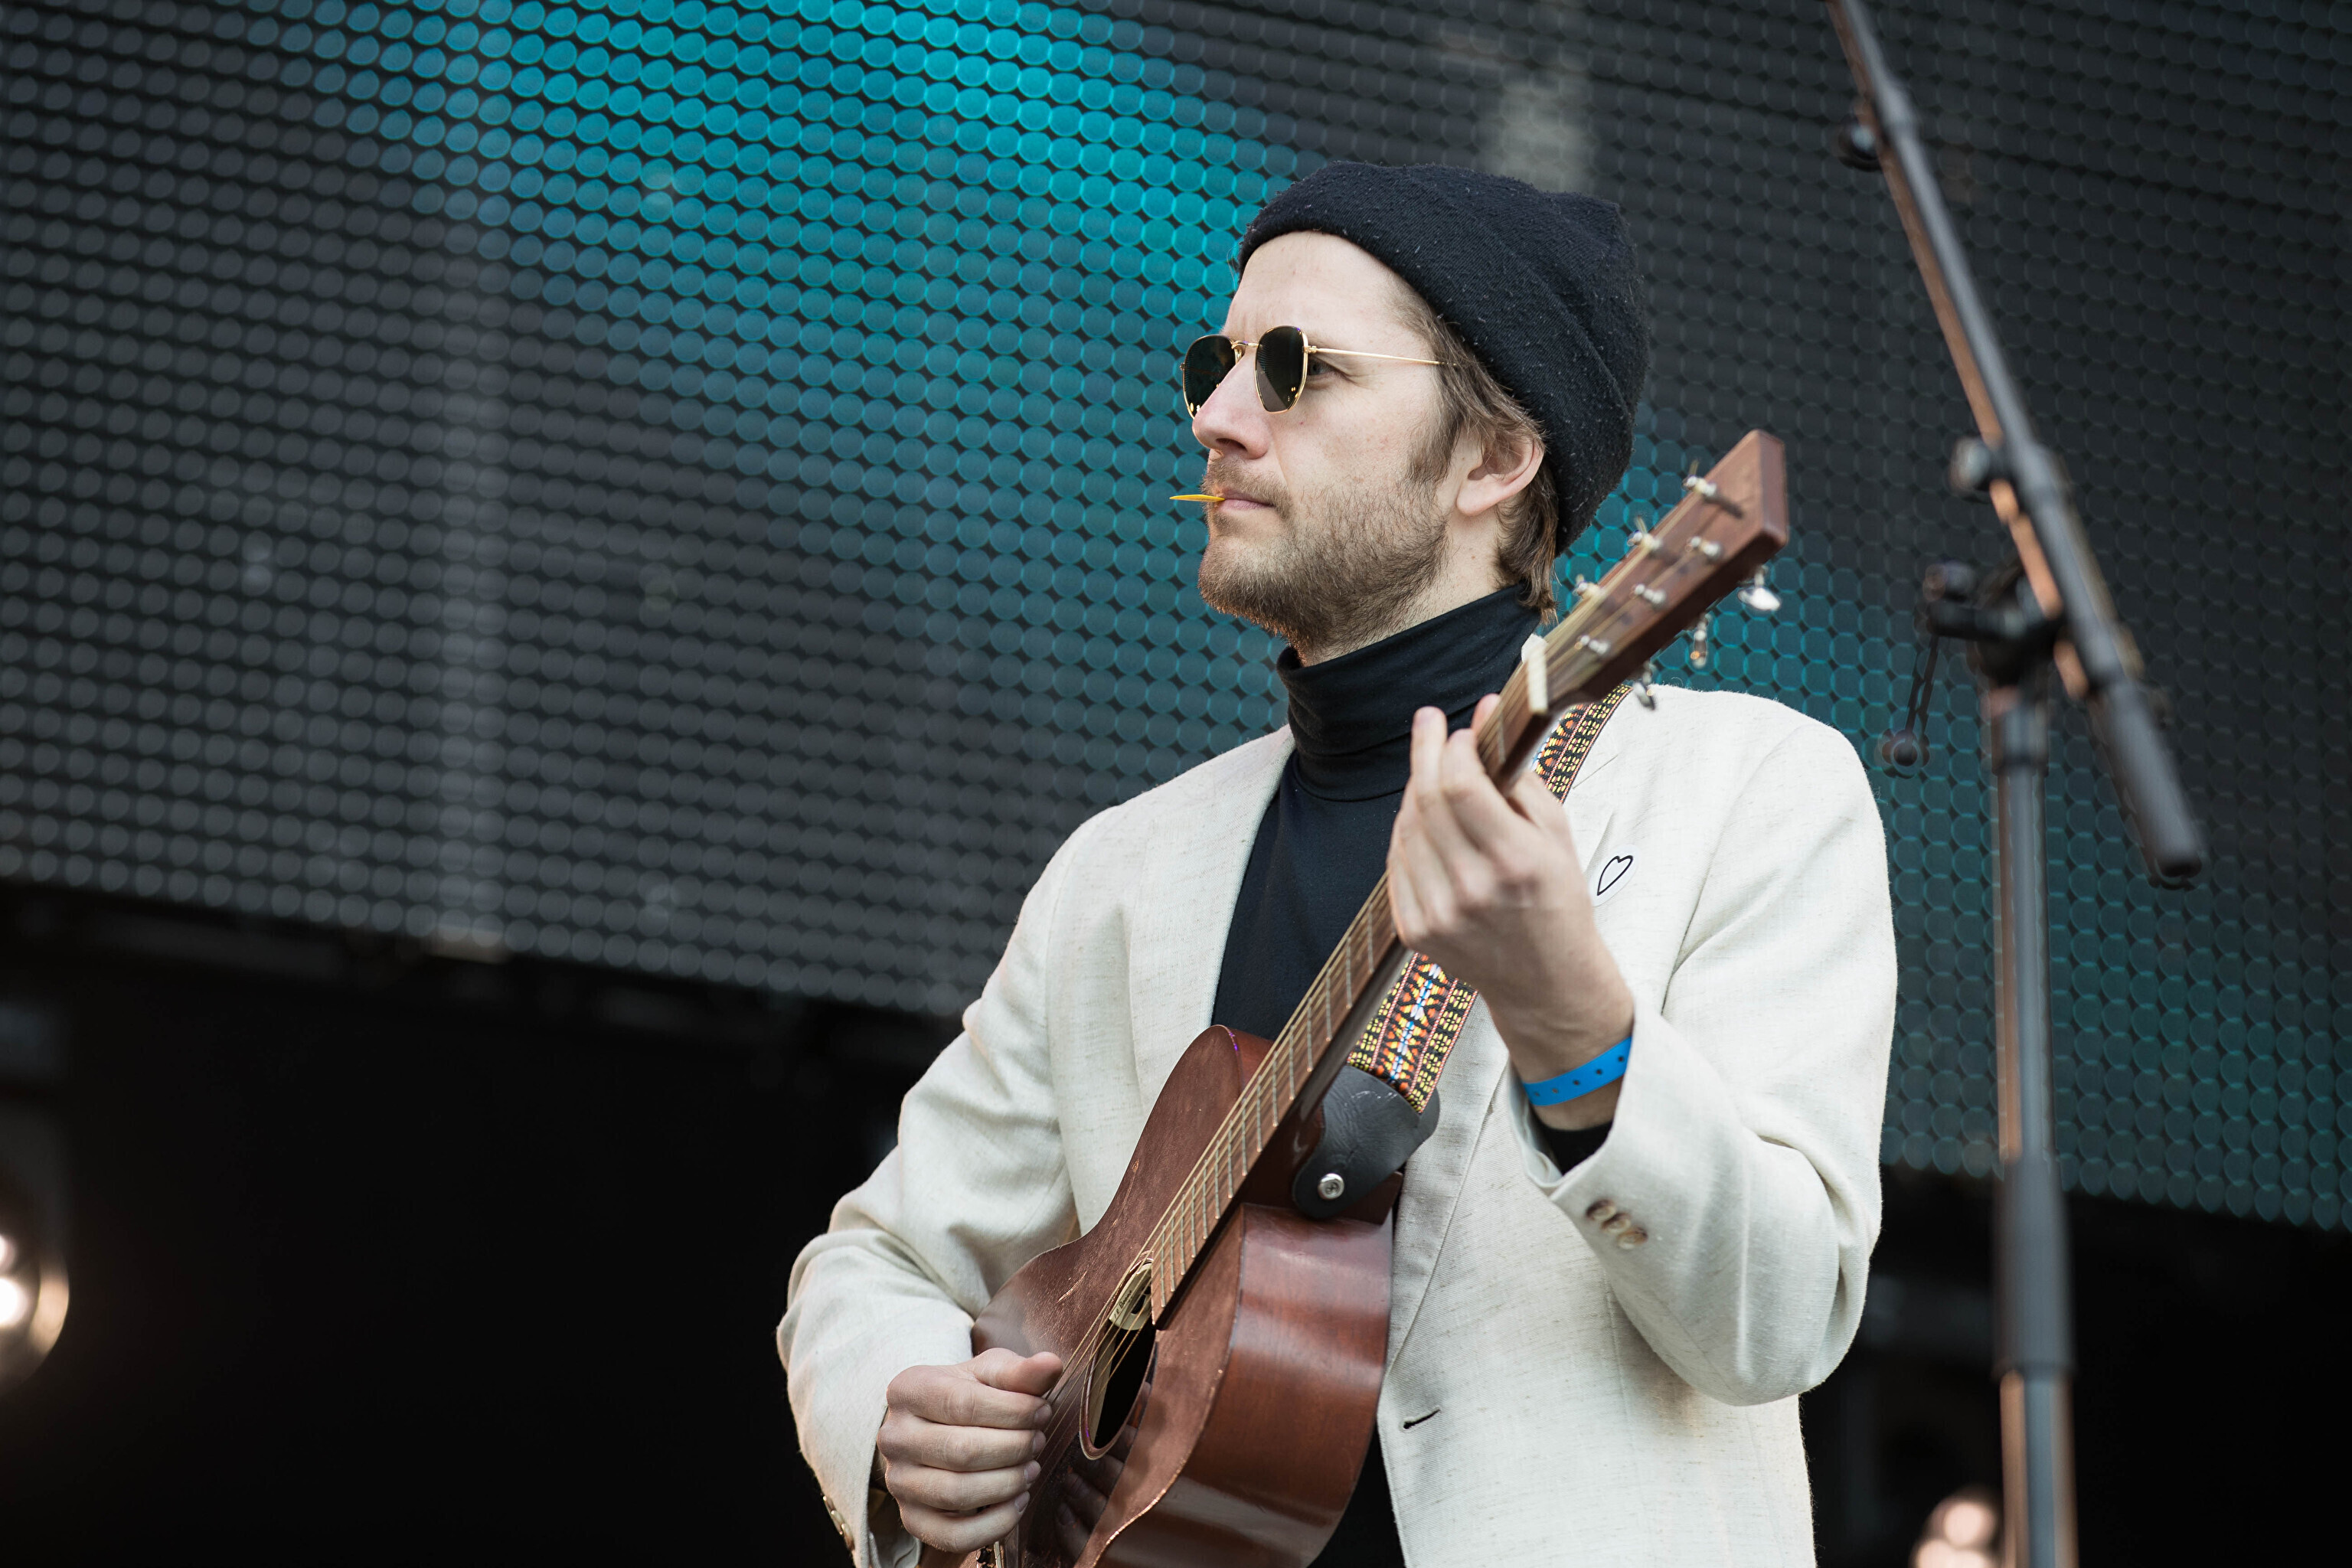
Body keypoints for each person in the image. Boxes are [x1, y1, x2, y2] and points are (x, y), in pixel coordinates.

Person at [780, 161, 1896, 1568]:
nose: (1216, 418)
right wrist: (899, 1423)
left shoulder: (1746, 791)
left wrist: (1574, 1023)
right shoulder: (1120, 874)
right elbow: (874, 1260)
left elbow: (1780, 1320)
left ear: (1494, 461)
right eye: (1220, 364)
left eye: (1295, 370)